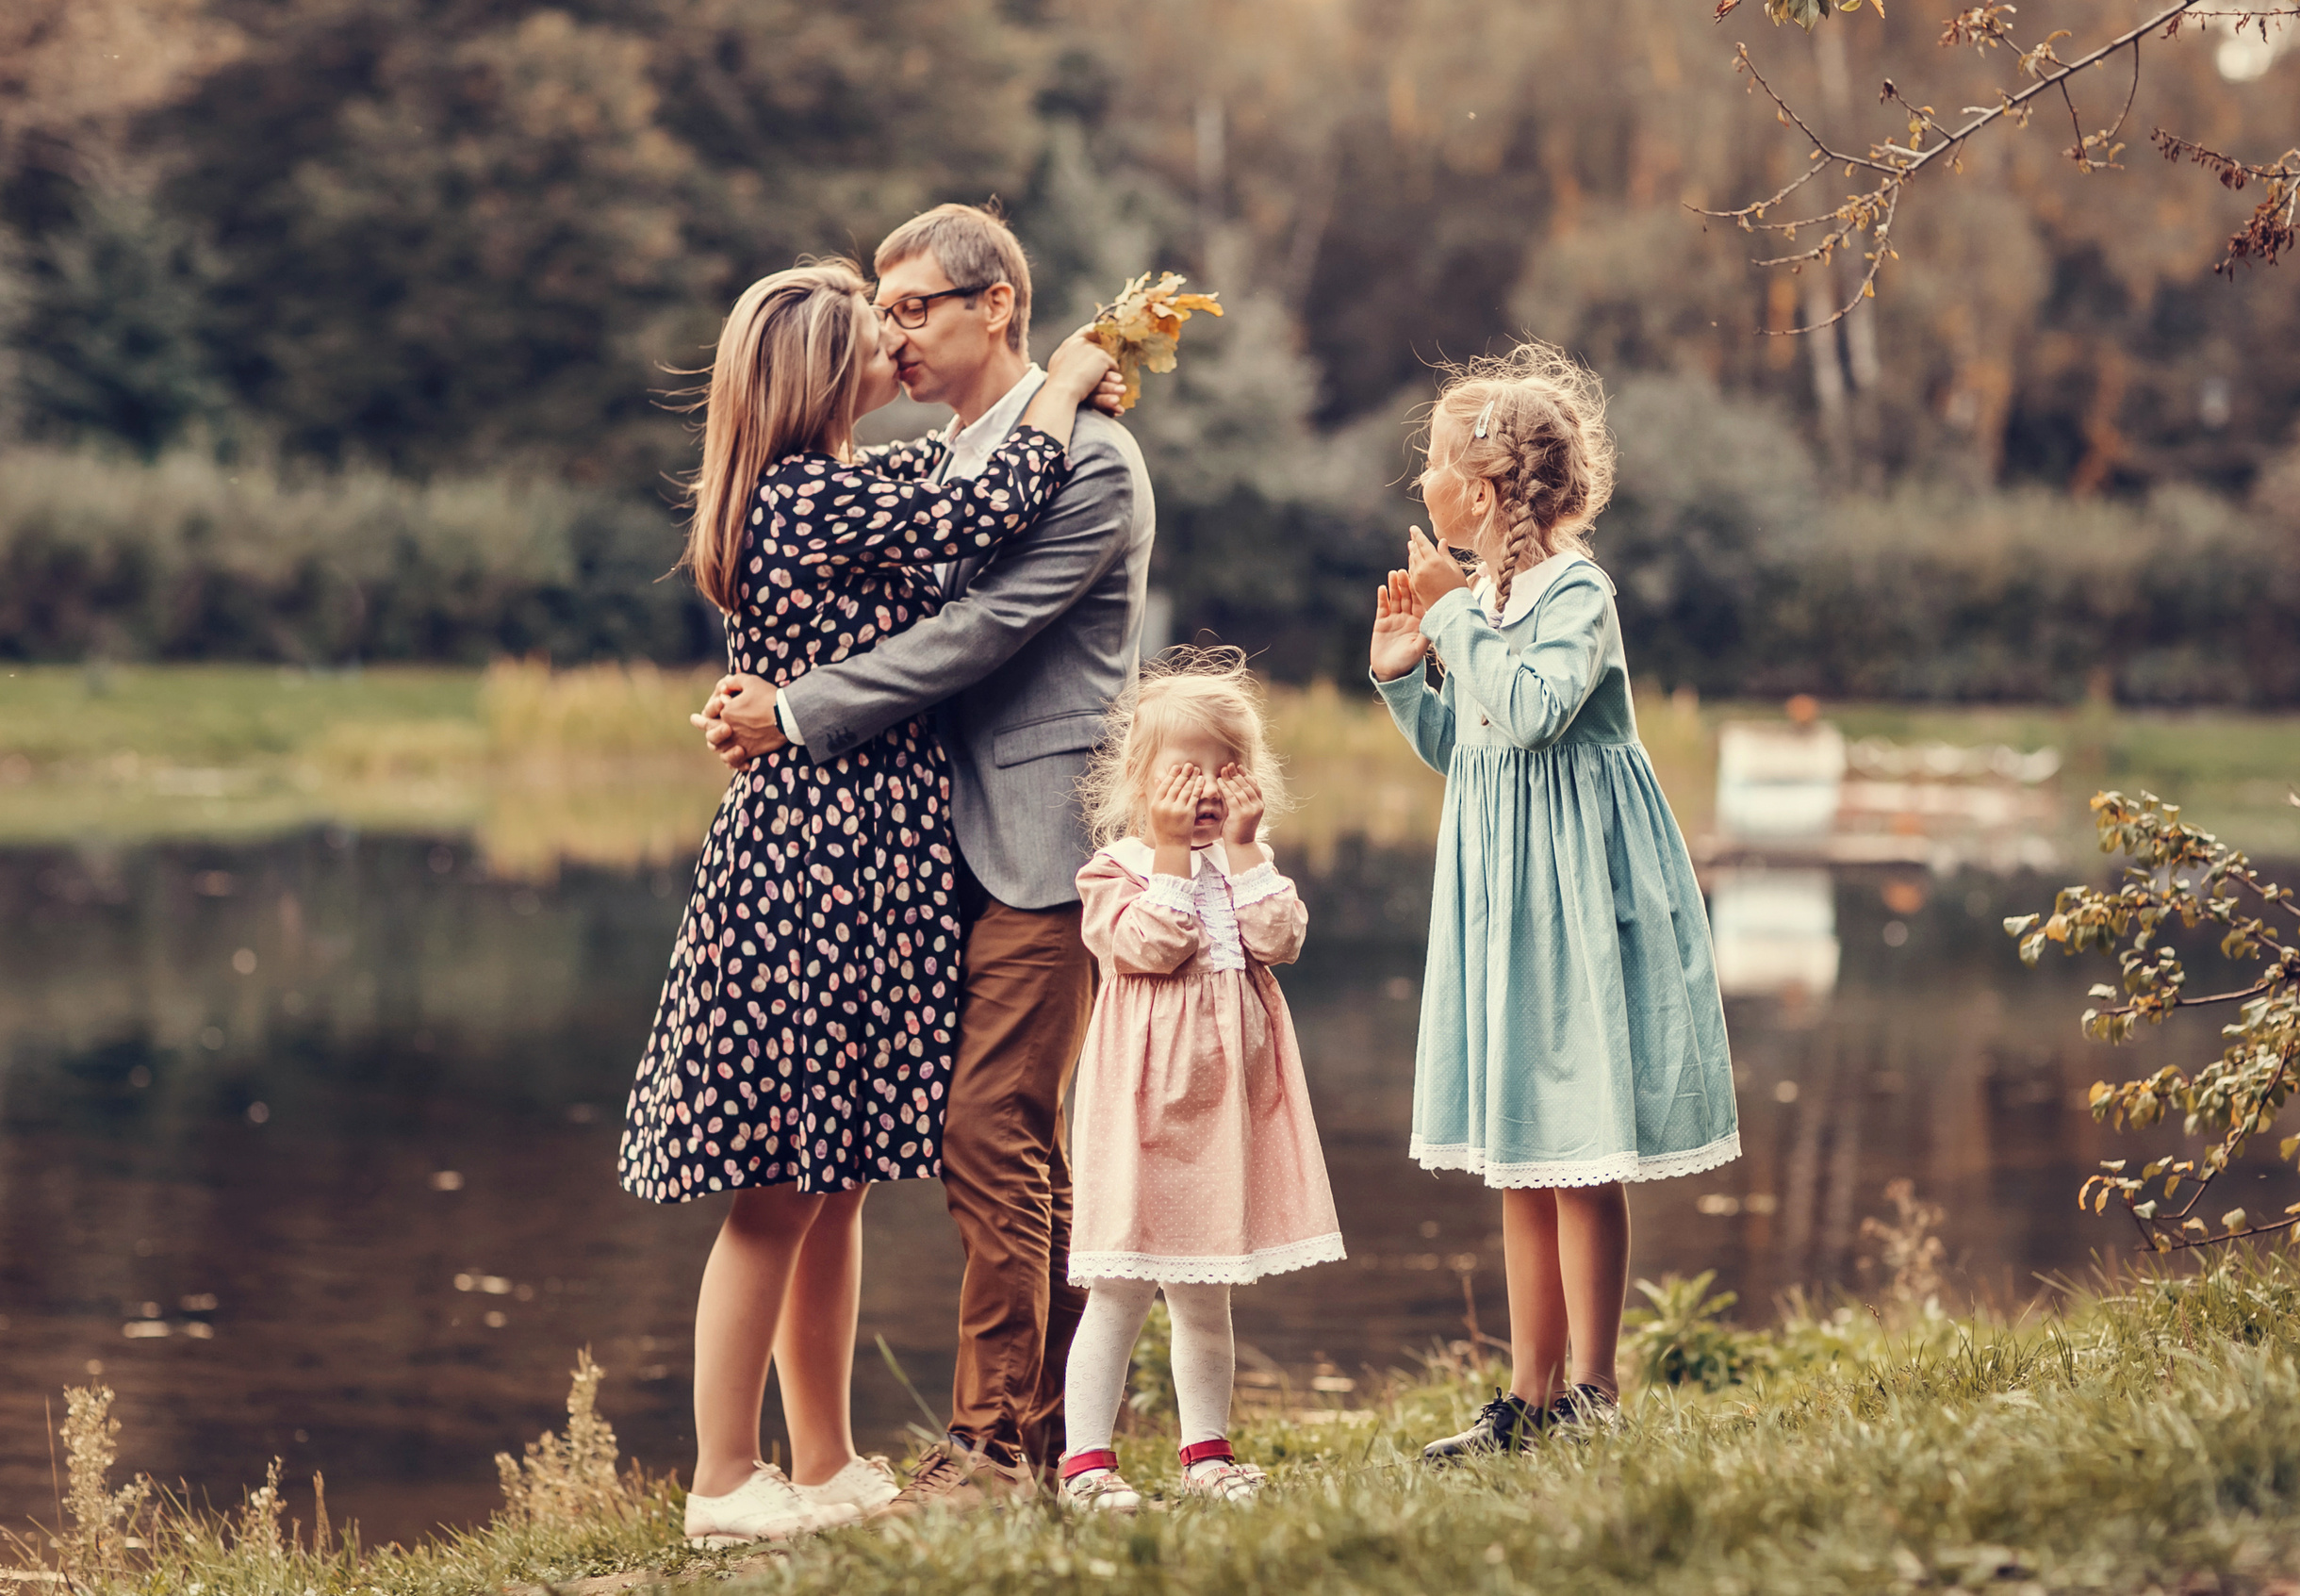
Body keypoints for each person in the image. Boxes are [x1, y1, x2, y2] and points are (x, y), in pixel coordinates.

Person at [616, 257, 1120, 1548]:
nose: (896, 344)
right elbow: (991, 504)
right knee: (781, 1184)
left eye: (907, 316)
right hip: (815, 864)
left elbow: (963, 474)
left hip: (867, 859)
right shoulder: (806, 501)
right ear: (818, 371)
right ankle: (726, 1478)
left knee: (829, 1179)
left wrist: (1053, 399)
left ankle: (826, 1459)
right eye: (872, 330)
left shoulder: (848, 488)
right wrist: (1063, 377)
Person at [1367, 341, 1738, 1460]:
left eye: (1431, 461)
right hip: (1502, 893)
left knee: (1578, 1151)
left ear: (1476, 489)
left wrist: (1447, 620)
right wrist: (1402, 671)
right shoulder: (1480, 595)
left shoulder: (1575, 589)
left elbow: (1533, 712)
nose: (1418, 479)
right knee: (1518, 1149)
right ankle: (1523, 1399)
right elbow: (1471, 750)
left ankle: (1592, 1389)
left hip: (1578, 895)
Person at [1051, 650, 1343, 1511]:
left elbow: (1279, 938)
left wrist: (1248, 850)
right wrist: (1174, 855)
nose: (1211, 788)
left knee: (1205, 1293)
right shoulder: (1116, 870)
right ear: (1141, 780)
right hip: (1144, 1113)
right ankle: (1087, 1467)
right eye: (1188, 771)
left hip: (1225, 1112)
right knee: (1117, 1290)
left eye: (1230, 769)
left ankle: (1206, 1455)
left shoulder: (1248, 862)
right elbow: (1151, 945)